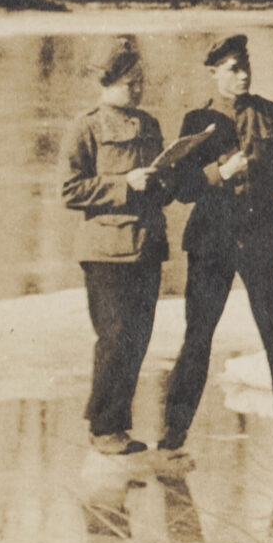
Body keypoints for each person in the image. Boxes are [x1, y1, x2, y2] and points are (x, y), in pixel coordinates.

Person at [161, 35, 273, 450]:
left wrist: (254, 176)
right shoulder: (196, 120)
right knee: (198, 335)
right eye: (233, 68)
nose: (242, 75)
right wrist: (221, 172)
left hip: (260, 234)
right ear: (214, 73)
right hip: (211, 240)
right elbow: (182, 188)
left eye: (245, 66)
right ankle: (175, 429)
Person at [61, 39, 175, 456]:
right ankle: (104, 426)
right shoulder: (86, 127)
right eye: (130, 84)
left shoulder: (149, 124)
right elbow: (70, 190)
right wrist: (123, 185)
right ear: (107, 84)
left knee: (138, 339)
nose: (138, 90)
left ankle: (116, 426)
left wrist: (165, 181)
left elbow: (159, 188)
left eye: (141, 82)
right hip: (105, 251)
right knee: (114, 337)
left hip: (147, 246)